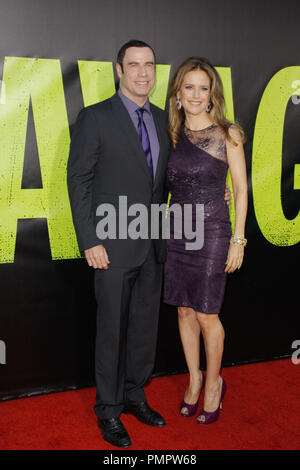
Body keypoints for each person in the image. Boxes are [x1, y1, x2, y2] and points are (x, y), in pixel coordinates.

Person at [67, 40, 171, 448]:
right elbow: (79, 182)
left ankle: (134, 395)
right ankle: (108, 410)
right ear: (118, 69)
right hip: (109, 246)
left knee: (144, 328)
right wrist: (90, 239)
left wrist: (221, 194)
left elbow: (170, 179)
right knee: (112, 330)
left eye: (149, 65)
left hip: (152, 246)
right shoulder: (95, 118)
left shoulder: (166, 119)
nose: (143, 72)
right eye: (134, 65)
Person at [163, 57, 248, 424]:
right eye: (189, 87)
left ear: (212, 94)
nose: (196, 95)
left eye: (203, 88)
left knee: (206, 312)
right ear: (178, 94)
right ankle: (194, 379)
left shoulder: (228, 133)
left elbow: (241, 189)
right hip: (177, 233)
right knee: (183, 309)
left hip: (214, 231)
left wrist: (238, 240)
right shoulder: (174, 133)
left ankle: (214, 383)